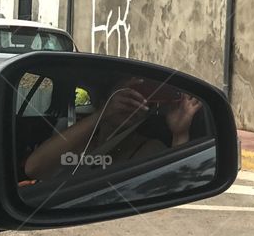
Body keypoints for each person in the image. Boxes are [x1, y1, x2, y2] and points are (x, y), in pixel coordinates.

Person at [23, 76, 202, 183]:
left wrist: (180, 133)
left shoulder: (148, 149)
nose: (131, 103)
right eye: (125, 95)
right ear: (103, 102)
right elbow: (34, 168)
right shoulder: (76, 140)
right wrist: (103, 114)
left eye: (139, 98)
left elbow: (174, 184)